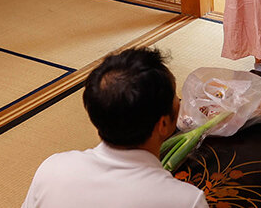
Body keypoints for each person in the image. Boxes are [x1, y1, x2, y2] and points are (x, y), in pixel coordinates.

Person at [22, 47, 208, 208]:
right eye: (175, 96)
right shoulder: (185, 200)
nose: (179, 101)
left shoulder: (52, 169)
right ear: (163, 124)